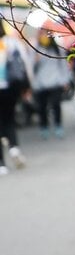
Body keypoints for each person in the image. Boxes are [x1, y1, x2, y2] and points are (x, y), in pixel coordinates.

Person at [0, 23, 30, 174]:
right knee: (9, 119)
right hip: (10, 89)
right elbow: (24, 64)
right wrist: (27, 87)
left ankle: (1, 165)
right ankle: (13, 148)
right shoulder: (11, 43)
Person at [32, 29, 72, 139]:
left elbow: (64, 65)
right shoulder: (35, 49)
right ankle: (44, 127)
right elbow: (30, 66)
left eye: (45, 35)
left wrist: (65, 80)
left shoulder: (57, 49)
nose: (43, 37)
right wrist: (35, 61)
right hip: (40, 84)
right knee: (42, 107)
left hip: (55, 82)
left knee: (56, 104)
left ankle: (58, 126)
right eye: (41, 35)